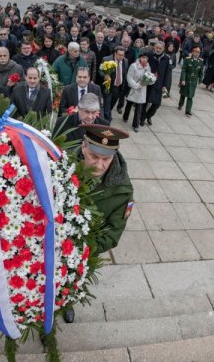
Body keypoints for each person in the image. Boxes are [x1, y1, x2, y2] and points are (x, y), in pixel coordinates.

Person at [61, 123, 133, 324]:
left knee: (73, 282)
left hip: (83, 254)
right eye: (93, 156)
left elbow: (112, 233)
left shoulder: (123, 190)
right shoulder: (61, 164)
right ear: (84, 147)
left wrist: (81, 248)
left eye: (106, 159)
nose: (99, 165)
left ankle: (68, 302)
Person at [142, 42, 171, 126]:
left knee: (157, 104)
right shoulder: (150, 55)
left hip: (159, 84)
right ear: (154, 47)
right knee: (146, 102)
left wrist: (165, 85)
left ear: (163, 49)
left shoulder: (166, 58)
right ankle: (142, 118)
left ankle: (149, 116)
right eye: (156, 48)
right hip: (149, 82)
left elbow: (167, 73)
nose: (158, 50)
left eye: (160, 48)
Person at [123, 53, 151, 132]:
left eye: (146, 58)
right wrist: (135, 85)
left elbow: (149, 77)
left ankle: (135, 125)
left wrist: (149, 81)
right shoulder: (133, 66)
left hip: (142, 90)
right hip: (133, 88)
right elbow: (129, 77)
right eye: (143, 58)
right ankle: (125, 117)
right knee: (129, 103)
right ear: (140, 58)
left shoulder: (148, 67)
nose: (144, 59)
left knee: (139, 107)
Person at [99, 46, 128, 122]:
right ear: (115, 53)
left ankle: (107, 114)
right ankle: (107, 121)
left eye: (123, 55)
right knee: (107, 104)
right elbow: (100, 70)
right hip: (108, 87)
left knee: (111, 104)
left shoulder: (125, 61)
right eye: (119, 55)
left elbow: (124, 73)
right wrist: (105, 76)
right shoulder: (106, 59)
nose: (121, 57)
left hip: (118, 88)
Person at [178, 46, 204, 116]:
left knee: (190, 96)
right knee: (183, 94)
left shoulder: (201, 61)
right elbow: (184, 70)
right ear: (192, 52)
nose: (197, 53)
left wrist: (200, 80)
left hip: (193, 81)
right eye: (195, 52)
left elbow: (201, 72)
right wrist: (183, 79)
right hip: (186, 80)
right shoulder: (187, 59)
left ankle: (188, 110)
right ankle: (180, 104)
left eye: (198, 52)